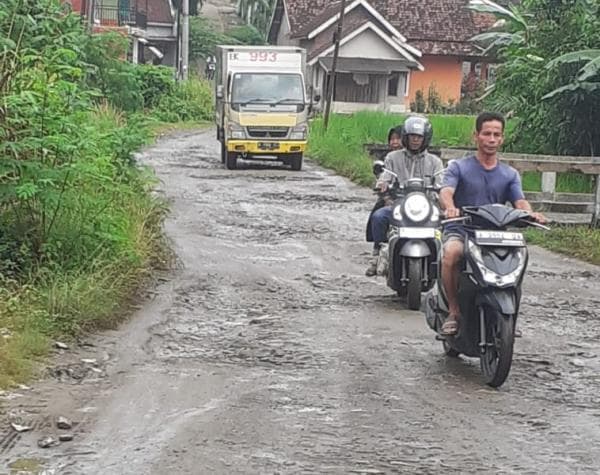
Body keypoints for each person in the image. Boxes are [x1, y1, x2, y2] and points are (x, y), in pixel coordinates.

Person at [439, 111, 547, 335]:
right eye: (486, 133)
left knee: (520, 257)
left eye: (496, 134)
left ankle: (509, 314)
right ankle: (453, 310)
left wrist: (530, 214)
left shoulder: (509, 174)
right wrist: (449, 207)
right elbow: (446, 192)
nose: (491, 139)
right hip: (463, 229)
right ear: (476, 136)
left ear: (502, 139)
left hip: (495, 233)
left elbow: (520, 201)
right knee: (450, 253)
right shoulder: (458, 167)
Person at [365, 115, 444, 276]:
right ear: (405, 138)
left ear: (425, 138)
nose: (415, 140)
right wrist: (383, 186)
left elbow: (442, 182)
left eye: (419, 137)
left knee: (448, 223)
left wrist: (442, 191)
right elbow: (385, 177)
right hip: (399, 205)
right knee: (379, 216)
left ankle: (443, 260)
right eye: (412, 137)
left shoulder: (435, 162)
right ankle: (378, 254)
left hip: (427, 206)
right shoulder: (392, 158)